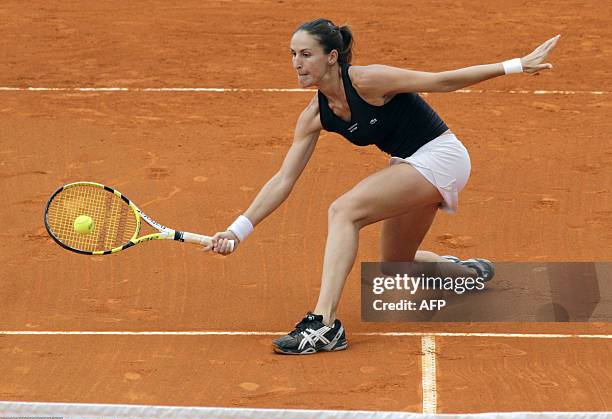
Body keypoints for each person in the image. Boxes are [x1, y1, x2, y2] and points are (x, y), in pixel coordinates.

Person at [204, 18, 560, 355]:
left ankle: (324, 324)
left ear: (332, 57)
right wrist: (238, 230)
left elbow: (441, 81)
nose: (296, 63)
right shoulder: (314, 115)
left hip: (441, 157)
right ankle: (468, 272)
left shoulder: (367, 81)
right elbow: (284, 179)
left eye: (306, 54)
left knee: (344, 211)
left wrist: (515, 65)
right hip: (408, 164)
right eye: (293, 55)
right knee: (395, 269)